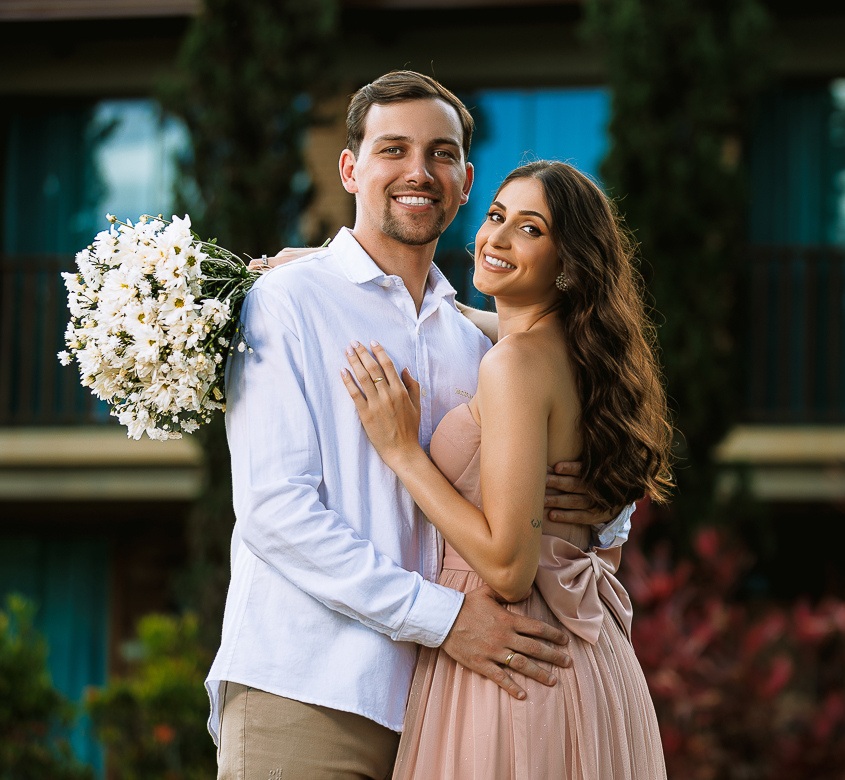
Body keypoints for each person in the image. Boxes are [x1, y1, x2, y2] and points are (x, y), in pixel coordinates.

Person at [206, 71, 631, 780]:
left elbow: (584, 410)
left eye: (441, 154)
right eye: (393, 149)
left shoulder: (479, 338)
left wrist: (604, 505)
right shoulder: (287, 301)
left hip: (446, 705)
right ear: (351, 169)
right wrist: (443, 618)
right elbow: (275, 510)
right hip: (311, 690)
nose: (419, 171)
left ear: (465, 182)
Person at [342, 160, 673, 779]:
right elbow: (463, 314)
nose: (496, 237)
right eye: (496, 216)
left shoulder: (514, 364)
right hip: (585, 664)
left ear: (569, 263)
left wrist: (403, 453)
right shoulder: (581, 355)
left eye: (530, 228)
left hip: (512, 658)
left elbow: (509, 568)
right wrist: (325, 263)